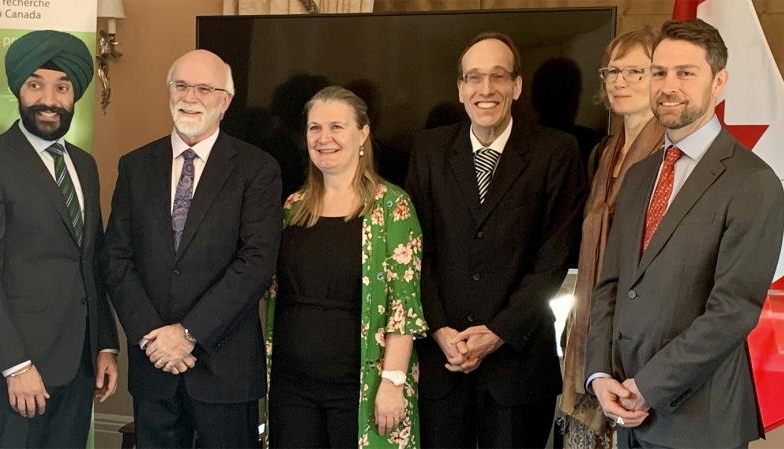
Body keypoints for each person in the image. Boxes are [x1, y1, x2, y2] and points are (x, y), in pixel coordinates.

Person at [586, 19, 784, 449]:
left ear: (720, 82)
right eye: (659, 72)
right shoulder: (639, 177)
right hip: (625, 414)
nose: (668, 85)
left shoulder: (753, 182)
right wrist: (600, 375)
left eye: (685, 73)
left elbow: (732, 312)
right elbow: (611, 287)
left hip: (699, 423)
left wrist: (649, 386)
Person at [405, 32, 588, 448]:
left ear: (517, 86)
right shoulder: (430, 149)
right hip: (443, 364)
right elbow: (417, 248)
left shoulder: (556, 152)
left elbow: (553, 257)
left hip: (518, 367)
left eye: (498, 77)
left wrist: (499, 332)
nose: (485, 89)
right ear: (460, 88)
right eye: (474, 78)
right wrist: (438, 329)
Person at [104, 49, 281, 448]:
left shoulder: (257, 169)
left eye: (205, 88)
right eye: (181, 86)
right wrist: (154, 338)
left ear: (226, 101)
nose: (191, 97)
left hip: (224, 366)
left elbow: (256, 263)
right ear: (169, 92)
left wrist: (188, 334)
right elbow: (116, 258)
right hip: (154, 368)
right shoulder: (135, 166)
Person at [0, 30, 120, 449]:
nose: (49, 98)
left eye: (62, 86)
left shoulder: (83, 165)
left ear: (74, 95)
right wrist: (14, 364)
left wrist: (105, 345)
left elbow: (92, 262)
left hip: (80, 362)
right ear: (18, 91)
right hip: (21, 365)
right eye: (35, 84)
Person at [264, 86, 428, 449]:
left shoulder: (392, 208)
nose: (324, 139)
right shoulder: (292, 207)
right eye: (314, 128)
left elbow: (404, 307)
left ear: (363, 133)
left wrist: (393, 381)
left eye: (336, 127)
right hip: (291, 387)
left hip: (361, 388)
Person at [558, 27, 664, 449]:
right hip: (593, 321)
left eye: (635, 71)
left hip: (640, 333)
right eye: (612, 70)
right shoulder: (604, 152)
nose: (619, 81)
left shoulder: (668, 153)